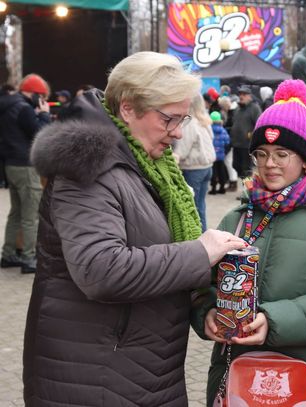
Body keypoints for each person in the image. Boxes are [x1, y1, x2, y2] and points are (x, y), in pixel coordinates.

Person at [23, 52, 246, 406]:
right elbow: (101, 270)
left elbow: (157, 254)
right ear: (128, 109)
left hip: (139, 369)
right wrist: (200, 252)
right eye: (169, 119)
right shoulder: (88, 170)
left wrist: (203, 308)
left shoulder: (149, 166)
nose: (177, 132)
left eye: (183, 119)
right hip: (95, 377)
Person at [192, 79, 306, 407]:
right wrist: (207, 313)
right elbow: (203, 285)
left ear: (305, 159)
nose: (269, 164)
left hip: (305, 380)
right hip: (236, 377)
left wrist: (273, 320)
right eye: (262, 154)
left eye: (282, 154)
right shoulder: (235, 218)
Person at [0, 73, 51, 274]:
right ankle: (29, 258)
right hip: (26, 166)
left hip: (11, 165)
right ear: (35, 94)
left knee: (16, 213)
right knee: (30, 216)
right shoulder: (24, 108)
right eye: (42, 97)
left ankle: (8, 254)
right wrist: (44, 114)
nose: (43, 100)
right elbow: (41, 134)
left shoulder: (8, 105)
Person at [174, 94, 216, 231]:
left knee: (193, 207)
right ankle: (203, 233)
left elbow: (182, 150)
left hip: (193, 169)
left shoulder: (189, 123)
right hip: (207, 167)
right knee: (200, 205)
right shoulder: (204, 120)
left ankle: (198, 236)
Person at [230, 85, 261, 182]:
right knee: (236, 165)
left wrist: (252, 136)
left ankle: (248, 189)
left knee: (246, 169)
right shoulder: (237, 109)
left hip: (247, 145)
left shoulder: (254, 108)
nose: (241, 96)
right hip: (236, 144)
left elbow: (259, 125)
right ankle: (247, 184)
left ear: (249, 96)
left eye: (244, 94)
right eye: (240, 94)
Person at [209, 111, 230, 195]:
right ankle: (222, 187)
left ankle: (213, 188)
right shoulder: (223, 130)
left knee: (213, 171)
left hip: (212, 154)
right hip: (221, 154)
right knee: (221, 170)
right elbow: (227, 141)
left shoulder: (209, 129)